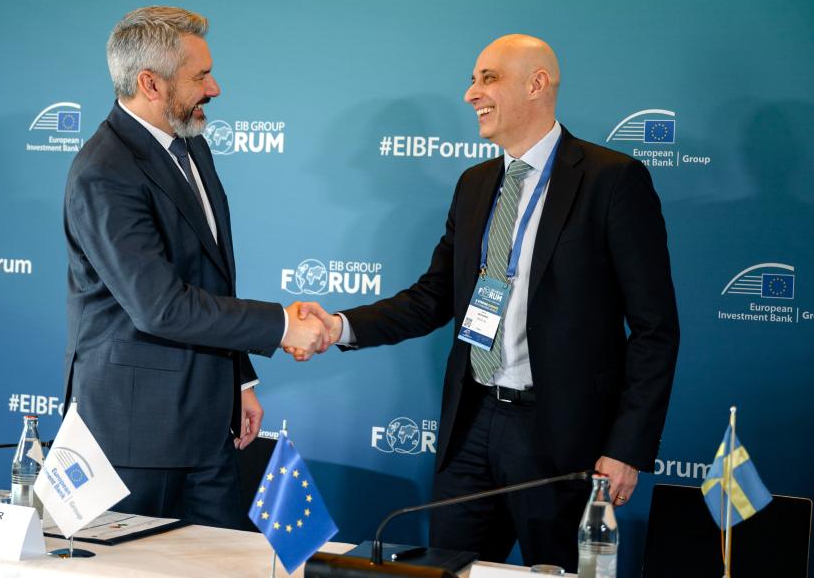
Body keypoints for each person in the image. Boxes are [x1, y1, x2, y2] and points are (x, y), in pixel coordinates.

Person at [291, 35, 679, 570]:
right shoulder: (475, 184)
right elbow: (433, 296)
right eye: (473, 80)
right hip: (472, 425)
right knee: (446, 568)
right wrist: (340, 326)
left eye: (488, 78)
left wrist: (626, 447)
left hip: (563, 439)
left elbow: (656, 329)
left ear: (536, 84)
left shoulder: (611, 180)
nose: (471, 93)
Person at [63, 6, 327, 529]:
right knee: (134, 567)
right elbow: (160, 306)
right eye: (200, 76)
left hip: (209, 422)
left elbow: (207, 280)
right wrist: (281, 325)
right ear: (150, 83)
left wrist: (239, 381)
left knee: (217, 560)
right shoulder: (104, 171)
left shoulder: (191, 145)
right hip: (138, 436)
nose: (215, 88)